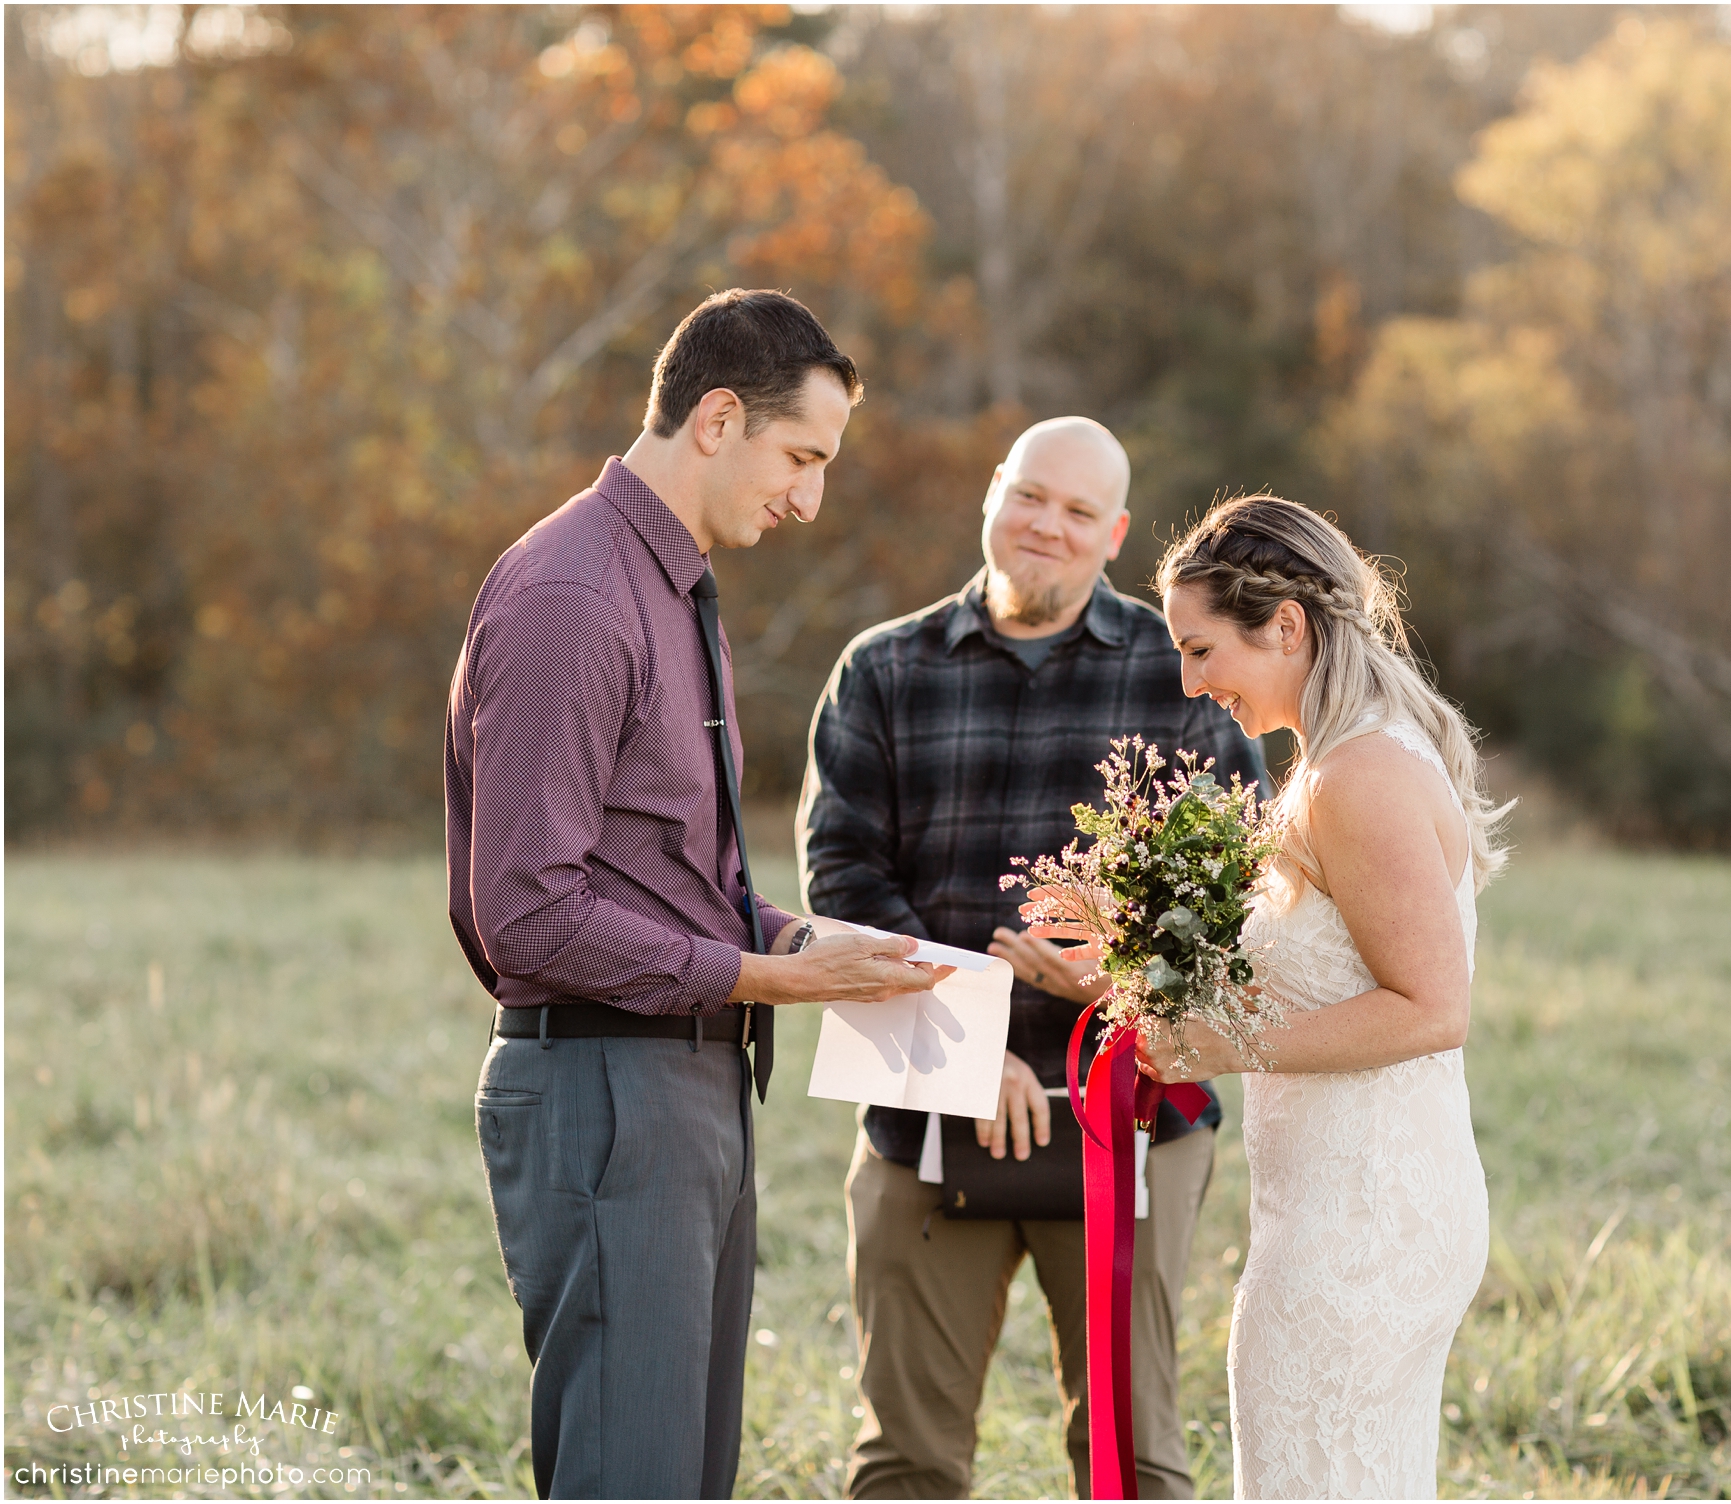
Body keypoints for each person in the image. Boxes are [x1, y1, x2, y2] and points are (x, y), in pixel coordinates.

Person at [446, 289, 947, 1500]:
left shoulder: (675, 592)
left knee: (685, 1477)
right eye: (802, 457)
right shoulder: (576, 597)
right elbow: (526, 908)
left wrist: (810, 941)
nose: (810, 497)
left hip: (691, 1088)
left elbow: (669, 876)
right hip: (610, 1093)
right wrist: (771, 976)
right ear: (718, 418)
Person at [799, 417, 1266, 1499]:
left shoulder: (1181, 674)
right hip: (924, 1108)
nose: (1043, 526)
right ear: (991, 497)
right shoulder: (881, 670)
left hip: (1130, 1117)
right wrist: (966, 1051)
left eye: (1074, 511)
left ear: (1112, 535)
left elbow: (1238, 897)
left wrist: (1101, 981)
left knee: (1132, 1462)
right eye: (1027, 496)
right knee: (902, 1464)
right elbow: (843, 881)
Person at [1108, 494, 1509, 1498]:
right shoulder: (1342, 761)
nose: (1190, 681)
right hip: (1355, 1205)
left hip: (1358, 1227)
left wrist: (1220, 1042)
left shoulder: (1356, 775)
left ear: (1284, 625)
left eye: (1202, 650)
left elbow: (1429, 1007)